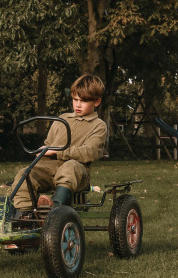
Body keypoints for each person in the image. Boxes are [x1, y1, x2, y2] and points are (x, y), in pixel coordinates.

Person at [12, 74, 107, 217]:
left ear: (97, 102)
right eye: (75, 100)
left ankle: (53, 211)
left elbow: (90, 152)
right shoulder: (62, 119)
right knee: (24, 174)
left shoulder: (98, 126)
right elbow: (49, 145)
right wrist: (43, 152)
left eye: (83, 101)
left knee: (70, 167)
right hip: (50, 169)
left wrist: (56, 152)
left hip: (78, 174)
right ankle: (24, 216)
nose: (78, 105)